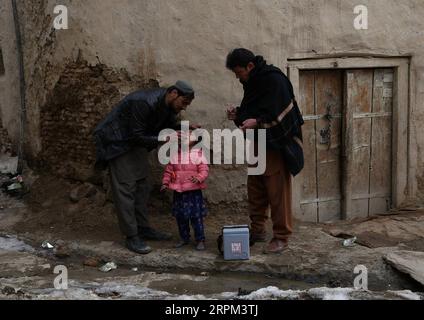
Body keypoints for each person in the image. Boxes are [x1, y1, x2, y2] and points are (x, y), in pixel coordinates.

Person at [93, 81, 196, 255]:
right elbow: (137, 135)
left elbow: (164, 127)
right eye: (183, 103)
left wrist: (184, 128)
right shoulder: (144, 102)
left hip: (135, 144)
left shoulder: (168, 106)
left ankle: (143, 228)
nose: (184, 108)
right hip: (118, 143)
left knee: (142, 187)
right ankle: (131, 236)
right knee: (125, 190)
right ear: (173, 93)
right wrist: (165, 139)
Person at [225, 48, 304, 254]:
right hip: (258, 143)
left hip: (277, 145)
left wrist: (258, 122)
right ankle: (258, 229)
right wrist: (239, 115)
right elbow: (254, 113)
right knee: (256, 188)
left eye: (239, 72)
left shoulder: (274, 80)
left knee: (277, 192)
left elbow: (280, 116)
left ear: (250, 66)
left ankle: (281, 237)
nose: (238, 77)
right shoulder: (252, 83)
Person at [161, 131, 209, 251]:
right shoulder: (174, 155)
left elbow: (204, 170)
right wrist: (165, 183)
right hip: (179, 192)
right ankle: (184, 238)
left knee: (196, 216)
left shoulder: (199, 155)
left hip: (193, 192)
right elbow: (168, 171)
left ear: (194, 141)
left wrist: (198, 178)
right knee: (180, 217)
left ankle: (200, 239)